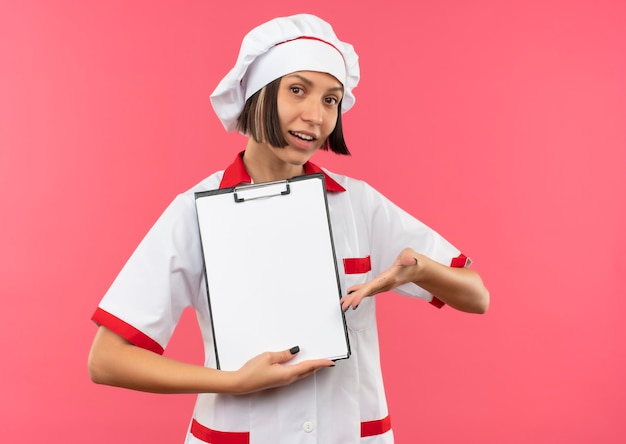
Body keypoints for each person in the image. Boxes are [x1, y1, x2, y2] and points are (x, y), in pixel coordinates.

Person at [88, 13, 489, 443]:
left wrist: (422, 272)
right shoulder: (194, 211)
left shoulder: (357, 202)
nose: (316, 115)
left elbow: (477, 296)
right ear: (258, 96)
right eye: (297, 90)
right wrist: (233, 381)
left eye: (331, 100)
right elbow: (107, 361)